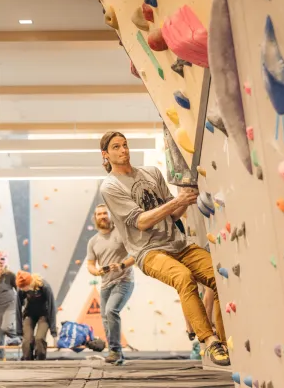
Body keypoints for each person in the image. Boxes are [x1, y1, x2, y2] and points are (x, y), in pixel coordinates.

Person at [98, 131, 230, 368]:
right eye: (116, 147)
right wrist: (177, 201)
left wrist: (187, 200)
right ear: (105, 155)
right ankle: (210, 341)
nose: (123, 150)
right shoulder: (110, 186)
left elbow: (173, 212)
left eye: (125, 145)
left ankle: (227, 343)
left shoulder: (152, 172)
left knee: (221, 278)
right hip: (148, 252)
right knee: (183, 277)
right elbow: (141, 222)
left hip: (179, 244)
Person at [86, 204, 134, 363]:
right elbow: (90, 265)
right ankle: (116, 354)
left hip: (124, 281)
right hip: (105, 285)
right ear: (95, 218)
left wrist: (121, 265)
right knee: (106, 317)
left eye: (105, 213)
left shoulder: (121, 233)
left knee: (111, 310)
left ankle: (115, 351)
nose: (102, 216)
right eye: (99, 214)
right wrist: (97, 271)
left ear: (110, 215)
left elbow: (135, 255)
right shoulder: (93, 242)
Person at [15, 271, 58, 361]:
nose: (22, 289)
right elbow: (18, 309)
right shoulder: (21, 289)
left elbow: (51, 308)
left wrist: (53, 332)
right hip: (29, 314)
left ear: (29, 283)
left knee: (39, 339)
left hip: (44, 314)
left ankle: (40, 361)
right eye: (20, 287)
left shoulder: (44, 286)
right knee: (27, 342)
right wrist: (19, 332)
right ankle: (28, 362)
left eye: (23, 287)